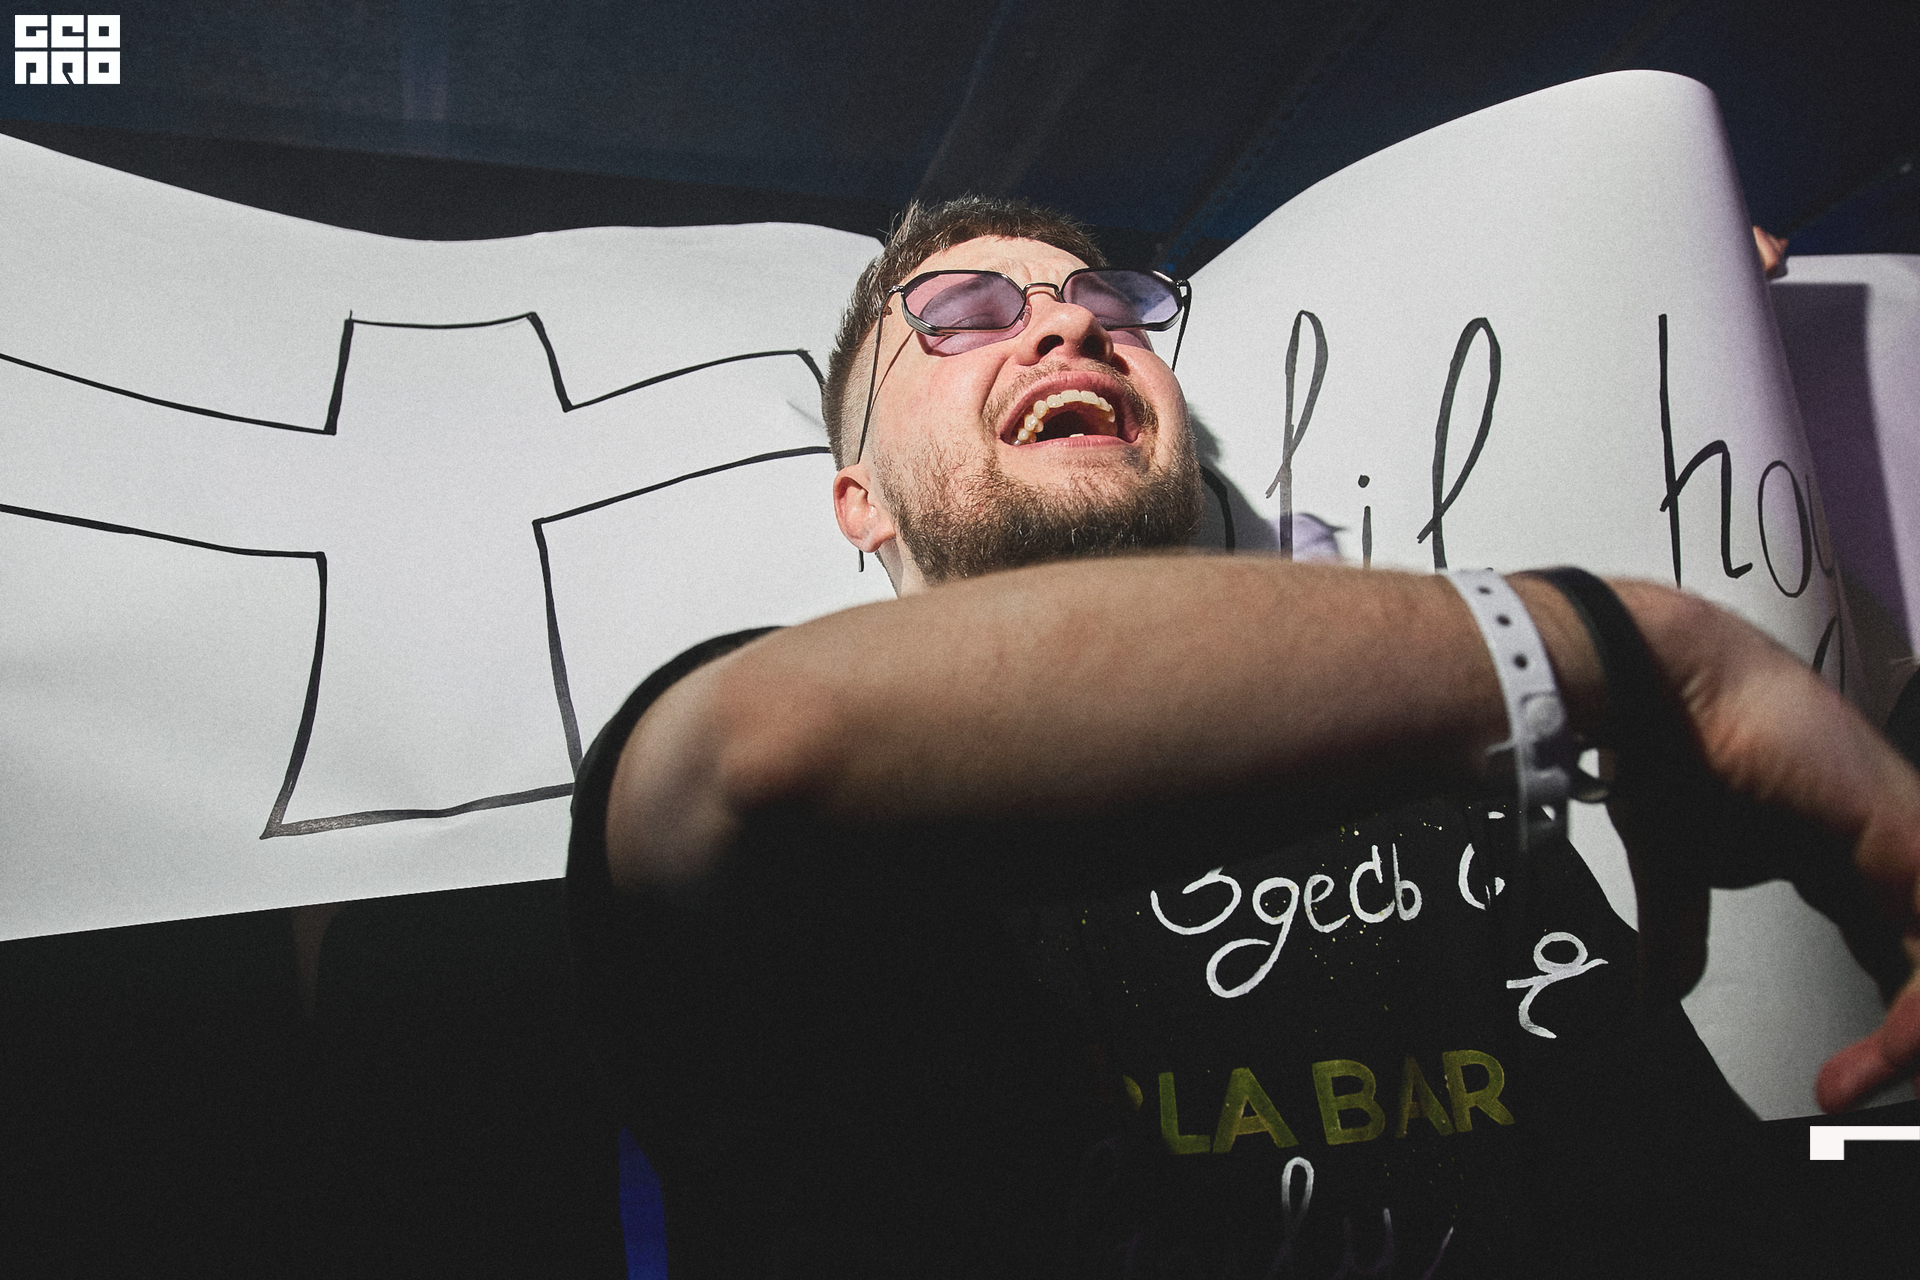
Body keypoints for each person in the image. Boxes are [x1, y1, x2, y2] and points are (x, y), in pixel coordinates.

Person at [567, 196, 1920, 1277]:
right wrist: (1638, 651)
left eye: (1110, 308)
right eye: (965, 316)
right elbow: (758, 753)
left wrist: (1886, 1147)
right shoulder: (758, 796)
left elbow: (1715, 1194)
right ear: (859, 500)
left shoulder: (1440, 777)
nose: (1069, 328)